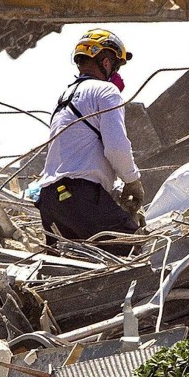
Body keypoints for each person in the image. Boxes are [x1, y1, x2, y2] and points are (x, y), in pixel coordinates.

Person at [35, 28, 144, 250]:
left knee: (71, 270)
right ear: (106, 63)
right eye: (117, 66)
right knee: (136, 249)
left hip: (50, 201)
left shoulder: (65, 97)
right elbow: (116, 148)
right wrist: (132, 182)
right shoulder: (106, 91)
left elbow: (80, 158)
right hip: (78, 196)